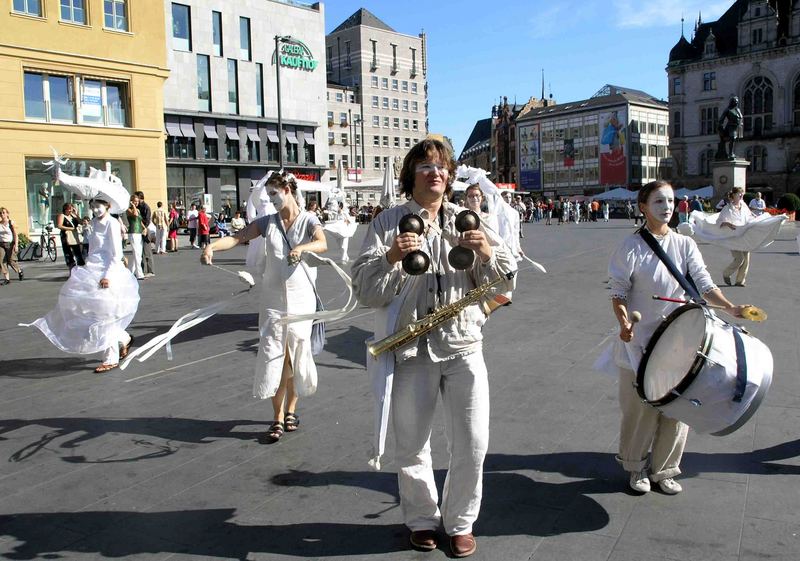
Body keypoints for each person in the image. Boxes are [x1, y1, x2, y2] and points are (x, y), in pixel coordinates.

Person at [352, 139, 516, 558]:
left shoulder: (470, 219)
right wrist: (391, 256)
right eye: (425, 166)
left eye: (441, 166)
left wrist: (486, 254)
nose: (435, 173)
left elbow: (503, 285)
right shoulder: (388, 222)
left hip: (464, 343)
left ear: (450, 175)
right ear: (411, 176)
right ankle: (423, 518)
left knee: (473, 440)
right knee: (412, 442)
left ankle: (460, 521)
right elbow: (365, 290)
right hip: (413, 348)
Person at [602, 180, 746, 495]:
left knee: (678, 406)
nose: (667, 207)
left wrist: (731, 308)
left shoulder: (685, 244)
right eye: (658, 202)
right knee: (640, 407)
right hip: (638, 341)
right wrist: (624, 322)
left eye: (670, 201)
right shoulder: (631, 246)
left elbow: (705, 285)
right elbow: (618, 291)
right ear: (642, 206)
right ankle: (635, 467)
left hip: (679, 338)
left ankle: (664, 469)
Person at [201, 172, 327, 442]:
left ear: (288, 190)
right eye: (268, 195)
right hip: (272, 300)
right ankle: (277, 417)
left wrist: (303, 248)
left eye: (274, 193)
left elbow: (322, 243)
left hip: (301, 297)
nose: (271, 199)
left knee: (295, 356)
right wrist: (212, 246)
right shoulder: (268, 222)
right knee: (274, 355)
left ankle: (291, 409)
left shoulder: (308, 219)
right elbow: (238, 237)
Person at [28, 196, 138, 373]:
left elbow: (116, 253)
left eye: (98, 206)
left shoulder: (112, 223)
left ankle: (111, 358)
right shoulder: (95, 222)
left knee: (104, 315)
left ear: (108, 206)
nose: (95, 210)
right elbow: (93, 249)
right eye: (92, 207)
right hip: (92, 271)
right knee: (92, 313)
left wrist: (107, 276)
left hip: (108, 273)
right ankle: (124, 339)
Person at [719, 187, 754, 286]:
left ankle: (740, 281)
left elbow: (749, 217)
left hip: (744, 235)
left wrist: (756, 220)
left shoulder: (744, 206)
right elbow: (720, 221)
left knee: (746, 259)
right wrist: (728, 224)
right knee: (739, 258)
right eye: (739, 194)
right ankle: (726, 273)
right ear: (733, 195)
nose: (741, 195)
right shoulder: (727, 208)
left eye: (742, 194)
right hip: (733, 237)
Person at [56, 202, 85, 270]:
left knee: (77, 251)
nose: (70, 210)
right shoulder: (62, 215)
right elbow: (59, 226)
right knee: (68, 252)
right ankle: (71, 268)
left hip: (74, 236)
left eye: (71, 209)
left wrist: (76, 214)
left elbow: (81, 222)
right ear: (65, 209)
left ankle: (80, 267)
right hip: (66, 236)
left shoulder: (73, 216)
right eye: (68, 209)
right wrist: (70, 229)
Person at [0, 207, 23, 285]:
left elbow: (15, 235)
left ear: (7, 214)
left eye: (3, 212)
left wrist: (16, 245)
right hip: (1, 244)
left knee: (11, 261)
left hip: (10, 244)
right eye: (1, 213)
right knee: (2, 261)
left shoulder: (11, 223)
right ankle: (7, 279)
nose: (2, 214)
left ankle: (19, 270)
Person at [135, 191, 155, 277]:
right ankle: (142, 270)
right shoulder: (138, 206)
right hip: (140, 230)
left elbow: (147, 220)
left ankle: (151, 271)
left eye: (136, 198)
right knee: (141, 251)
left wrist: (144, 228)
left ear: (140, 198)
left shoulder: (145, 207)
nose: (135, 200)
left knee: (147, 251)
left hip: (146, 230)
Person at [125, 194, 145, 280]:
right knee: (137, 253)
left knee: (137, 254)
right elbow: (135, 215)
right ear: (131, 201)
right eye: (135, 201)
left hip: (139, 233)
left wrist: (145, 228)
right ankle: (139, 274)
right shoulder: (129, 210)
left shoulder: (138, 210)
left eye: (137, 201)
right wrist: (132, 206)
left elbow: (139, 220)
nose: (136, 203)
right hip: (133, 232)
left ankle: (130, 272)